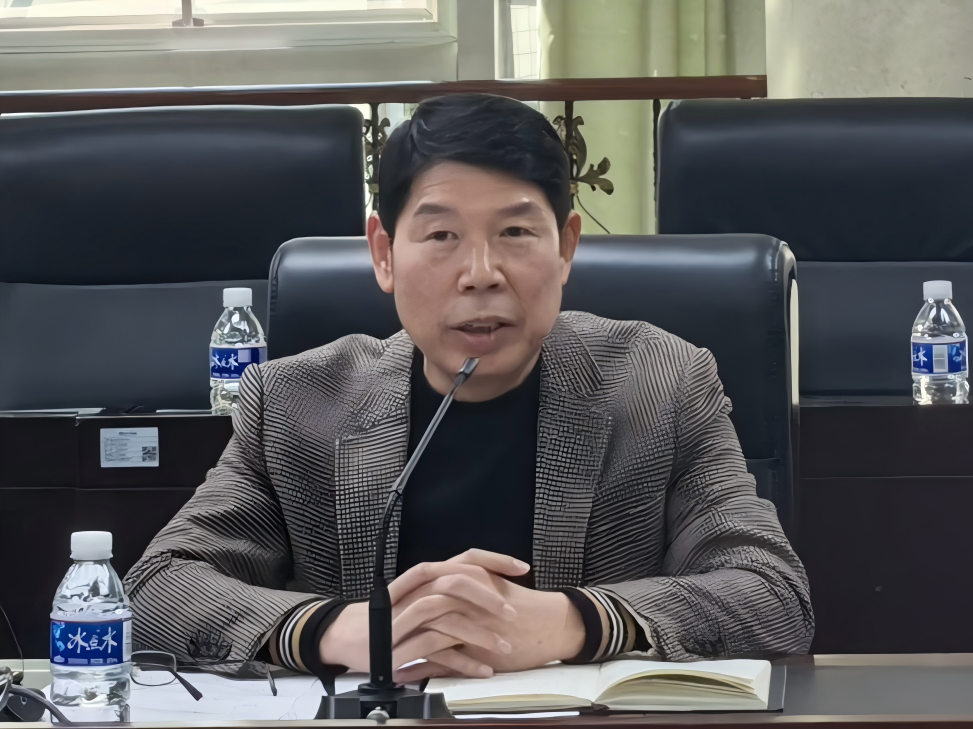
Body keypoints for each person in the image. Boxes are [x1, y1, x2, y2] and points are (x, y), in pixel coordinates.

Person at [125, 93, 813, 682]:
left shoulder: (661, 384)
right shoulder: (295, 402)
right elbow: (157, 589)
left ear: (566, 247)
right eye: (441, 235)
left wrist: (577, 622)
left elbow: (772, 594)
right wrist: (336, 630)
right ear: (383, 253)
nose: (480, 272)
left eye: (515, 231)